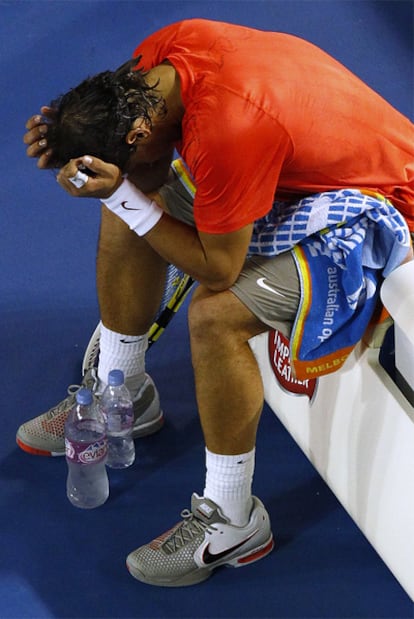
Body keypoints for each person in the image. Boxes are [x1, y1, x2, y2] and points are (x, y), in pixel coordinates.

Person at [20, 18, 413, 587]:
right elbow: (136, 172)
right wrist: (67, 132)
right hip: (294, 177)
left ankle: (233, 522)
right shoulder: (160, 61)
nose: (138, 170)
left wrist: (129, 193)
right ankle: (120, 391)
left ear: (134, 135)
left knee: (214, 315)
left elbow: (216, 268)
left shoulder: (228, 129)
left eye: (128, 158)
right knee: (127, 202)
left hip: (378, 209)